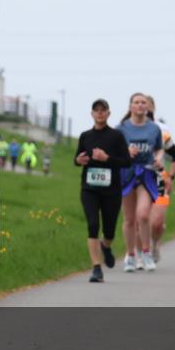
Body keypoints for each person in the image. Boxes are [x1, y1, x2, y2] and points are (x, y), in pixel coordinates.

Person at [75, 99, 131, 283]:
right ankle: (97, 268)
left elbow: (126, 162)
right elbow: (77, 158)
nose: (99, 113)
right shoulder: (85, 136)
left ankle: (106, 246)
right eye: (96, 110)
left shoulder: (116, 136)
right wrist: (79, 161)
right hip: (89, 189)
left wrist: (106, 158)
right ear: (91, 114)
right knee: (92, 225)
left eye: (103, 110)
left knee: (109, 231)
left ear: (108, 113)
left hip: (111, 191)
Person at [117, 93, 162, 273]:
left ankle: (146, 252)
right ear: (130, 107)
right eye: (136, 102)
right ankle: (130, 256)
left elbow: (159, 149)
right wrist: (125, 151)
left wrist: (159, 160)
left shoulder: (154, 129)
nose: (140, 105)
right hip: (126, 173)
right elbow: (113, 150)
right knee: (129, 219)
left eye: (143, 102)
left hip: (146, 173)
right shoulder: (121, 129)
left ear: (147, 107)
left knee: (143, 215)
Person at [145, 98, 175, 263]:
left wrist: (171, 177)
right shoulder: (127, 129)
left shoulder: (161, 130)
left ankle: (155, 243)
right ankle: (138, 254)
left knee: (157, 223)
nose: (142, 108)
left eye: (146, 105)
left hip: (159, 178)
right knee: (140, 216)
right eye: (138, 104)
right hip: (137, 179)